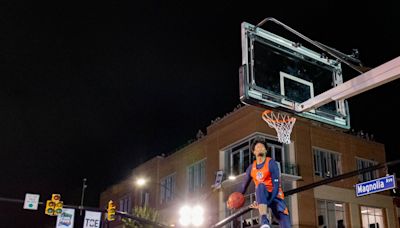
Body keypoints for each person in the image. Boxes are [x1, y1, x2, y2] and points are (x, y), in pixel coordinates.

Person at [240, 137, 291, 228]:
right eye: (257, 147)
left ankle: (266, 210)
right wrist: (233, 199)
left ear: (266, 150)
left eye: (262, 147)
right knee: (260, 186)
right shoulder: (251, 168)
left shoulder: (271, 163)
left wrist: (266, 202)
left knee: (286, 225)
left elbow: (276, 187)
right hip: (263, 195)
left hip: (275, 197)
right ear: (254, 152)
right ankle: (264, 221)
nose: (260, 148)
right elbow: (242, 189)